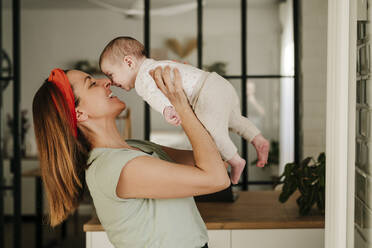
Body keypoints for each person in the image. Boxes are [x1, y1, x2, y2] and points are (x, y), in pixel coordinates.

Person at [32, 66, 231, 248]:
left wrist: (192, 98)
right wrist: (180, 105)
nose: (106, 81)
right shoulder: (113, 167)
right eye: (92, 84)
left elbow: (219, 161)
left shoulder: (136, 147)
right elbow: (217, 179)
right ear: (79, 114)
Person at [99, 36, 270, 184]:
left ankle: (236, 161)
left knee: (211, 134)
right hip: (217, 84)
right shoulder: (158, 64)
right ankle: (258, 138)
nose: (111, 82)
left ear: (129, 62)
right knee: (234, 120)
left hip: (205, 94)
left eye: (110, 74)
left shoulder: (142, 79)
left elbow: (155, 95)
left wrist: (167, 109)